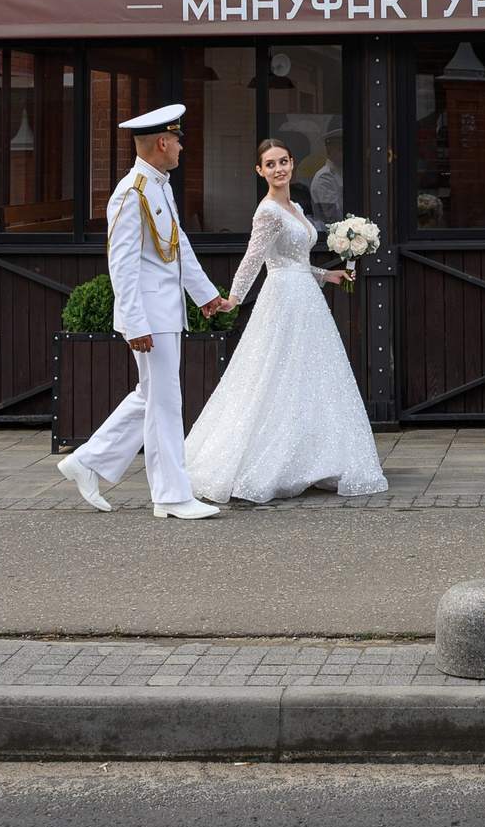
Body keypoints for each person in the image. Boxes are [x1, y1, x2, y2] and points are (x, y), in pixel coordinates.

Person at [185, 136, 388, 504]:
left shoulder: (294, 205)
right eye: (271, 164)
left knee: (312, 377)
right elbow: (255, 259)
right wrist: (233, 298)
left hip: (306, 298)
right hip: (281, 300)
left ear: (293, 164)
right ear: (260, 171)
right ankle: (263, 463)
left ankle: (311, 461)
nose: (279, 169)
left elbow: (294, 262)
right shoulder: (267, 211)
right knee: (272, 376)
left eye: (284, 161)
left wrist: (329, 276)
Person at [57, 104, 231, 520]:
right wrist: (134, 322)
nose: (183, 147)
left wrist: (204, 295)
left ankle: (87, 461)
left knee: (150, 396)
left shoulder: (160, 186)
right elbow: (122, 263)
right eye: (179, 140)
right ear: (163, 142)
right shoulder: (130, 191)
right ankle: (171, 496)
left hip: (167, 311)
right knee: (166, 403)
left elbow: (178, 248)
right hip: (151, 316)